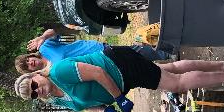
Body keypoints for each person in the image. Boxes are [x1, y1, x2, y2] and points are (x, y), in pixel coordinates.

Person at [12, 45, 224, 112]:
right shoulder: (56, 99)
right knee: (172, 69)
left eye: (33, 85)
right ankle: (223, 66)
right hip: (123, 79)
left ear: (35, 76)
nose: (37, 90)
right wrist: (106, 111)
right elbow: (83, 106)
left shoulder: (59, 73)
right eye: (33, 94)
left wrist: (119, 98)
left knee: (175, 84)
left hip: (120, 65)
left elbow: (98, 73)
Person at [14, 28, 169, 74]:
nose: (30, 62)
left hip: (94, 50)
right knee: (132, 64)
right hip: (96, 67)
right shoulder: (48, 73)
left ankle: (166, 52)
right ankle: (165, 61)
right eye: (27, 66)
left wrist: (42, 37)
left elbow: (53, 32)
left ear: (29, 55)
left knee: (132, 52)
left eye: (27, 60)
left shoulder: (45, 48)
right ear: (30, 70)